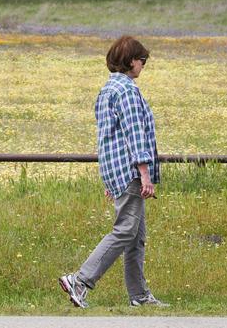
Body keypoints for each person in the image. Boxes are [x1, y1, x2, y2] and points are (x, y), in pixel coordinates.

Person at [59, 35, 167, 309]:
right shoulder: (128, 91)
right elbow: (134, 134)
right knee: (125, 230)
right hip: (131, 172)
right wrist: (145, 174)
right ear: (131, 61)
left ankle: (139, 296)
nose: (143, 65)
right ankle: (80, 280)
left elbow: (106, 138)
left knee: (136, 237)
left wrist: (108, 178)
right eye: (142, 60)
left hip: (116, 170)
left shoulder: (106, 91)